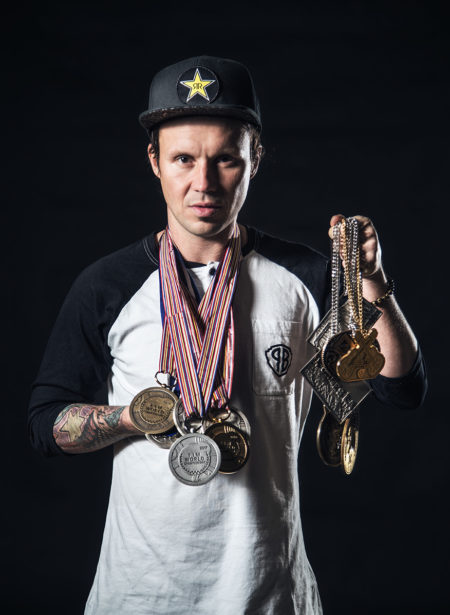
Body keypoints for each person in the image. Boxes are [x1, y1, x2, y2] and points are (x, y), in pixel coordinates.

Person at [28, 56, 427, 614]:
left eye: (225, 159)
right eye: (183, 159)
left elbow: (401, 387)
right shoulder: (107, 285)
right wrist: (134, 417)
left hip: (271, 595)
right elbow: (46, 424)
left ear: (254, 159)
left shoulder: (307, 276)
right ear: (154, 161)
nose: (204, 183)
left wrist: (373, 282)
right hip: (139, 595)